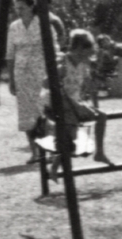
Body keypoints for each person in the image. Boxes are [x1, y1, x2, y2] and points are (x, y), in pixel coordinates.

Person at [46, 29, 113, 176]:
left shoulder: (83, 64)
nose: (89, 55)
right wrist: (56, 75)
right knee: (71, 135)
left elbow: (89, 86)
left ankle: (99, 153)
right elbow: (46, 84)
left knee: (101, 116)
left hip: (73, 104)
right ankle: (54, 166)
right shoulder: (62, 61)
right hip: (58, 104)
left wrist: (99, 84)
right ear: (77, 48)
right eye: (87, 51)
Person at [4, 0, 51, 162]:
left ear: (31, 6)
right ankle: (34, 151)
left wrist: (52, 74)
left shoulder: (43, 24)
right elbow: (10, 54)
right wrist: (11, 79)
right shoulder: (14, 27)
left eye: (22, 7)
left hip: (40, 72)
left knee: (42, 110)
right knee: (26, 113)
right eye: (16, 8)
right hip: (21, 73)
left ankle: (49, 149)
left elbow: (53, 49)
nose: (18, 11)